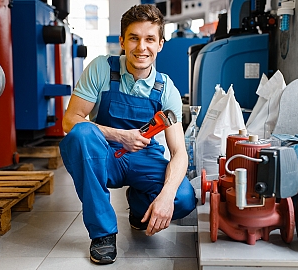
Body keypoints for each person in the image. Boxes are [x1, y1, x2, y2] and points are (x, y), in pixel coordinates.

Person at [59, 4, 197, 265]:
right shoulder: (101, 68)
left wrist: (166, 196)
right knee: (82, 134)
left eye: (149, 39)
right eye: (134, 38)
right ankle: (103, 234)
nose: (141, 47)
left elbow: (179, 152)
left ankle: (138, 203)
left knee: (184, 198)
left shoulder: (166, 89)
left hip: (144, 158)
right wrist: (121, 136)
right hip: (104, 155)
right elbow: (70, 121)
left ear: (160, 44)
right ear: (122, 41)